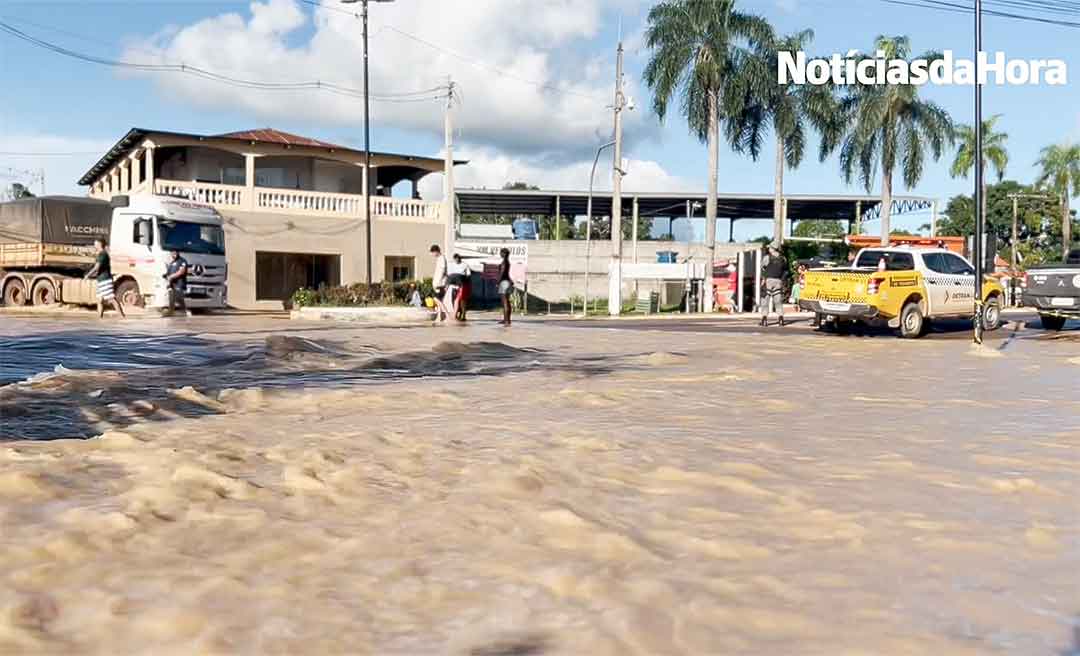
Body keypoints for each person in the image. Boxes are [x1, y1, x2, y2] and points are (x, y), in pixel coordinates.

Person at [84, 238, 125, 319]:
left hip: (105, 280)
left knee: (111, 299)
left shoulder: (102, 254)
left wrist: (88, 275)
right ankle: (100, 318)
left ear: (99, 244)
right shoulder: (101, 254)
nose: (94, 245)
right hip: (101, 280)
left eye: (95, 244)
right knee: (99, 301)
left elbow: (97, 267)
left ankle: (122, 317)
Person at [760, 244, 787, 327]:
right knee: (778, 300)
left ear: (772, 248)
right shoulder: (783, 258)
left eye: (769, 247)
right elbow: (785, 271)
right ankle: (781, 319)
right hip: (778, 281)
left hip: (768, 280)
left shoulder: (767, 257)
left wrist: (763, 279)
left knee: (765, 300)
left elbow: (762, 267)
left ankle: (764, 319)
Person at [163, 249, 191, 317]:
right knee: (171, 298)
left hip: (179, 283)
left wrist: (172, 276)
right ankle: (170, 312)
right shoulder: (172, 263)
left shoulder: (182, 261)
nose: (173, 254)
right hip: (172, 284)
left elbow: (182, 272)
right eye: (172, 253)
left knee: (179, 298)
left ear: (178, 253)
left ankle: (185, 311)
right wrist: (165, 275)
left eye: (175, 253)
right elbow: (168, 273)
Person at [430, 244, 449, 323]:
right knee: (439, 300)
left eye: (433, 253)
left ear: (436, 251)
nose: (433, 254)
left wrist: (437, 283)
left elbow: (442, 271)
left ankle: (447, 315)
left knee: (436, 299)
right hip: (439, 283)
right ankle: (439, 317)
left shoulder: (441, 258)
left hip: (440, 284)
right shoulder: (440, 258)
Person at [449, 254, 471, 321]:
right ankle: (457, 313)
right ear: (454, 259)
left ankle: (463, 315)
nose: (457, 260)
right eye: (455, 259)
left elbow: (468, 274)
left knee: (462, 301)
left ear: (460, 259)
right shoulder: (451, 265)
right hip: (454, 286)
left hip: (462, 286)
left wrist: (464, 280)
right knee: (454, 301)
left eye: (458, 258)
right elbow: (449, 274)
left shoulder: (465, 265)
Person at [498, 247, 513, 326]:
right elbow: (506, 274)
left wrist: (498, 282)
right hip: (507, 282)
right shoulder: (507, 261)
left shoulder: (504, 262)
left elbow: (502, 273)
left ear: (504, 254)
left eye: (501, 253)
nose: (500, 254)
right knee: (507, 301)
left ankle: (506, 321)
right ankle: (506, 319)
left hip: (503, 282)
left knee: (505, 302)